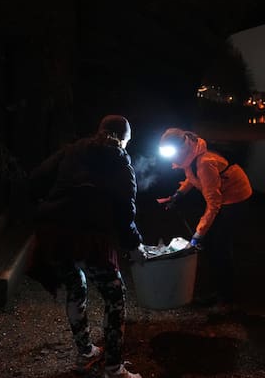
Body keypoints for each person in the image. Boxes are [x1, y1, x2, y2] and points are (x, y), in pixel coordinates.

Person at [28, 115, 144, 378]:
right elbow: (126, 213)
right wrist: (134, 245)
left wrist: (49, 206)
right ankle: (114, 368)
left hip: (53, 234)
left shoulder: (71, 150)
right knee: (115, 296)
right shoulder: (120, 163)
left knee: (75, 288)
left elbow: (35, 179)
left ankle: (86, 353)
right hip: (88, 238)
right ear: (125, 139)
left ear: (99, 130)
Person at [157, 128, 252, 309]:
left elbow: (214, 204)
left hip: (235, 196)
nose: (170, 159)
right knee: (211, 244)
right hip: (221, 194)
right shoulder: (190, 154)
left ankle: (227, 298)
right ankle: (218, 291)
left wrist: (197, 234)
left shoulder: (204, 164)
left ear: (180, 148)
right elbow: (191, 177)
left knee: (219, 246)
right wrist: (177, 195)